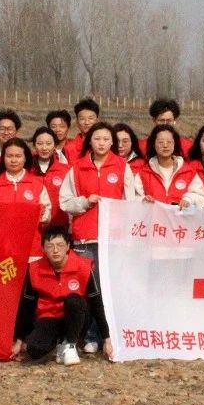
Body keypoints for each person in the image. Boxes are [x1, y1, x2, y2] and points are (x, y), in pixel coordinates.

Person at [59, 121, 135, 353]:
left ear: (113, 142)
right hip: (85, 237)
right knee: (87, 288)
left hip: (113, 238)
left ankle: (104, 336)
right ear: (89, 141)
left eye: (106, 139)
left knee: (108, 287)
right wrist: (84, 201)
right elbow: (64, 202)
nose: (101, 143)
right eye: (97, 139)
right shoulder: (77, 168)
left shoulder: (122, 167)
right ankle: (87, 336)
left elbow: (131, 202)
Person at [12, 226, 111, 364]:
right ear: (43, 248)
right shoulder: (34, 269)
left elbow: (97, 304)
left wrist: (107, 339)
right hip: (49, 317)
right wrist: (19, 340)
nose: (55, 250)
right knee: (34, 349)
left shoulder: (83, 267)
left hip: (76, 316)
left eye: (60, 245)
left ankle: (70, 345)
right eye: (50, 246)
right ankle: (59, 345)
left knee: (74, 300)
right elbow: (26, 306)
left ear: (68, 246)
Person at [0, 137, 52, 245]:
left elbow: (47, 213)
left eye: (18, 156)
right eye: (9, 156)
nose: (14, 160)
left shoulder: (37, 184)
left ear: (25, 158)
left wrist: (43, 215)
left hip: (31, 245)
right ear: (3, 158)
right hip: (1, 244)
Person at [134, 124, 204, 209]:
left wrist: (188, 199)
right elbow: (133, 198)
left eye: (169, 142)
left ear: (174, 144)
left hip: (181, 217)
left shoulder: (188, 172)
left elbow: (201, 197)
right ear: (153, 144)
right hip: (153, 217)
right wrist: (143, 200)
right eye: (161, 142)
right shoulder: (143, 173)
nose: (165, 145)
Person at [30, 127, 70, 226]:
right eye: (40, 144)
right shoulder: (27, 170)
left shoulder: (66, 170)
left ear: (55, 145)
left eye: (48, 144)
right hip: (33, 225)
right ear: (34, 146)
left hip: (59, 226)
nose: (44, 148)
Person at [62, 98, 100, 164]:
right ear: (77, 121)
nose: (86, 122)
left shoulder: (107, 146)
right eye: (82, 119)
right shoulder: (68, 149)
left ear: (97, 120)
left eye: (90, 118)